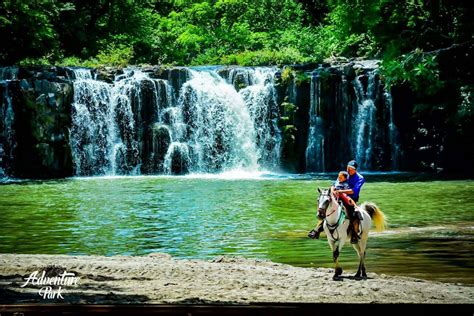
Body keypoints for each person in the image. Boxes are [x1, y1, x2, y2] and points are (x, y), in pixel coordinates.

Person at [308, 160, 365, 244]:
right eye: (347, 168)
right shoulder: (343, 174)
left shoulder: (360, 178)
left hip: (350, 199)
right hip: (337, 197)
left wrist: (340, 192)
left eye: (351, 169)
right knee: (326, 209)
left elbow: (354, 191)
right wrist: (332, 190)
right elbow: (334, 184)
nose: (348, 170)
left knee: (354, 214)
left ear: (355, 170)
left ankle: (354, 234)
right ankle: (317, 230)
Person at [308, 170, 350, 240]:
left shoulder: (346, 184)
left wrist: (339, 192)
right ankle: (316, 230)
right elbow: (331, 188)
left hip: (341, 200)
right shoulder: (336, 182)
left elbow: (346, 193)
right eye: (338, 176)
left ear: (345, 178)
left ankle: (352, 230)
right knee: (326, 212)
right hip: (333, 199)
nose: (339, 178)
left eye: (341, 177)